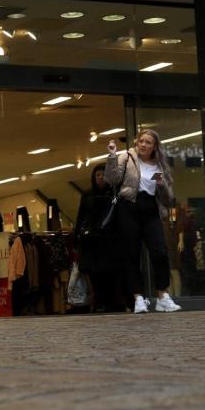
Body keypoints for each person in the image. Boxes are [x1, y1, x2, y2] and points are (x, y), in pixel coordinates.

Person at [105, 129, 181, 313]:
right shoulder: (128, 157)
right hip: (129, 207)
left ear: (155, 146)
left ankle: (162, 296)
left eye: (148, 142)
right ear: (136, 143)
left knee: (160, 251)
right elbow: (111, 178)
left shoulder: (160, 165)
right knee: (132, 253)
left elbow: (169, 198)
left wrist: (162, 185)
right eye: (141, 141)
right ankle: (138, 298)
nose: (143, 145)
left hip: (150, 209)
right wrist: (112, 156)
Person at [75, 163, 119, 311]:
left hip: (109, 240)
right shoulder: (87, 195)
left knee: (110, 273)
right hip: (91, 241)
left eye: (103, 174)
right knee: (94, 274)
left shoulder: (113, 194)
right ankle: (99, 302)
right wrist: (77, 237)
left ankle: (111, 302)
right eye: (97, 175)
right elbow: (81, 217)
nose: (100, 178)